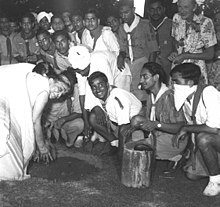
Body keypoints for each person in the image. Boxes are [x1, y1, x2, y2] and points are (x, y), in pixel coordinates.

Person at [0, 62, 72, 181]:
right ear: (52, 80)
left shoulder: (34, 73)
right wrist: (42, 148)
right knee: (11, 166)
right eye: (59, 89)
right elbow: (35, 122)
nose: (58, 95)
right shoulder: (44, 91)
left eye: (61, 94)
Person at [170, 63, 220, 196]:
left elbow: (213, 128)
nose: (173, 86)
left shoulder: (208, 92)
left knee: (204, 138)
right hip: (215, 142)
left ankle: (215, 181)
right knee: (191, 174)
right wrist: (191, 154)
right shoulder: (186, 101)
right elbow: (194, 127)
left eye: (176, 81)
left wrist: (186, 128)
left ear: (190, 82)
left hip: (215, 136)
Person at [130, 62, 187, 173]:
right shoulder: (151, 96)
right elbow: (147, 118)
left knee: (136, 148)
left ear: (156, 77)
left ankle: (176, 155)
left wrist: (157, 124)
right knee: (135, 124)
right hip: (158, 134)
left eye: (145, 77)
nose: (141, 80)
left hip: (174, 139)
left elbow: (181, 126)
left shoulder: (169, 96)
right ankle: (157, 151)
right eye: (141, 77)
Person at [68, 45, 132, 140]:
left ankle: (124, 141)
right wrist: (86, 122)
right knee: (95, 116)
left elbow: (109, 90)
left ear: (88, 64)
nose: (81, 74)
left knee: (119, 111)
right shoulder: (80, 69)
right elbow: (82, 95)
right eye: (78, 71)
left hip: (119, 74)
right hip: (101, 83)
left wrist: (98, 107)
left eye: (82, 71)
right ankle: (113, 141)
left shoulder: (99, 61)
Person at [87, 71, 142, 155]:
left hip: (136, 125)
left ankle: (121, 149)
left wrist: (120, 154)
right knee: (93, 117)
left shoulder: (117, 98)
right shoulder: (103, 93)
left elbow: (124, 127)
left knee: (131, 150)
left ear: (107, 84)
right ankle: (115, 143)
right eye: (94, 87)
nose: (97, 89)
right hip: (117, 123)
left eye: (100, 85)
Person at [117, 0, 159, 101]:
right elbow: (122, 48)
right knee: (129, 92)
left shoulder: (145, 25)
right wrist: (121, 56)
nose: (124, 16)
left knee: (142, 92)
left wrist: (150, 68)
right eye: (121, 13)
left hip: (142, 62)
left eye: (126, 12)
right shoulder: (121, 28)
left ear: (133, 10)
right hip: (128, 63)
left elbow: (153, 48)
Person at [168, 0, 217, 83]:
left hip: (195, 70)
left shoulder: (205, 22)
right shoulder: (176, 18)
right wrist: (174, 52)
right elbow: (174, 40)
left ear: (194, 7)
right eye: (179, 7)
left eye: (186, 7)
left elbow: (210, 54)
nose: (181, 11)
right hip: (178, 67)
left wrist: (186, 56)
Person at [148, 0, 174, 78]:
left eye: (158, 9)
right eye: (152, 9)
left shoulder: (172, 25)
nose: (155, 12)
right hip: (151, 69)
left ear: (164, 9)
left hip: (169, 69)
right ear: (148, 11)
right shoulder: (145, 26)